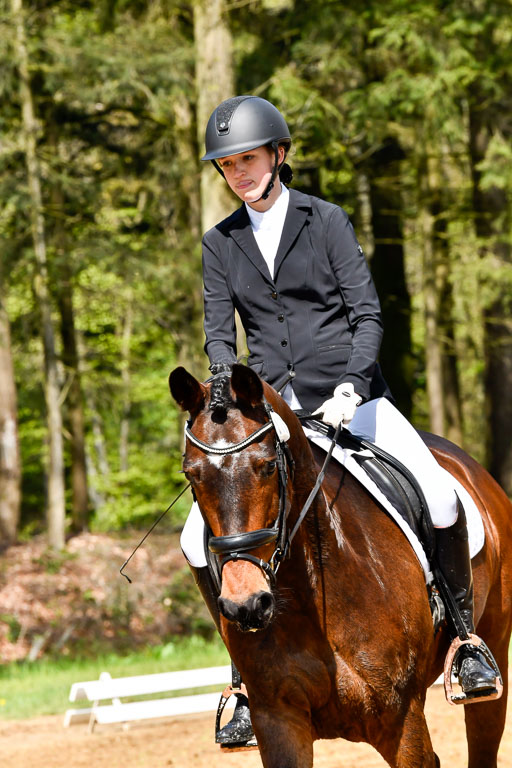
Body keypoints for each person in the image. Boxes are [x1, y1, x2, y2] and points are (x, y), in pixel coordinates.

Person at [181, 95, 498, 746]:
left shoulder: (325, 221)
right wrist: (223, 392)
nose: (237, 172)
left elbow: (368, 315)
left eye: (247, 159)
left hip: (355, 401)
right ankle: (243, 677)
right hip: (271, 416)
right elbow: (219, 336)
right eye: (227, 164)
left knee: (442, 497)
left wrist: (354, 383)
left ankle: (466, 642)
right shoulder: (220, 244)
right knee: (196, 538)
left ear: (279, 155)